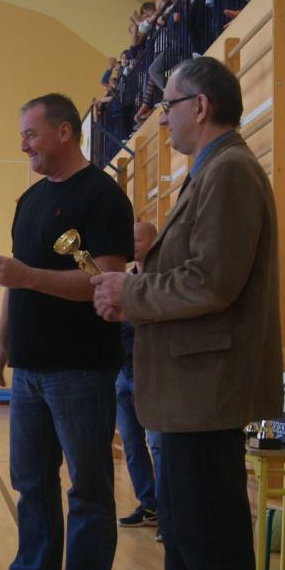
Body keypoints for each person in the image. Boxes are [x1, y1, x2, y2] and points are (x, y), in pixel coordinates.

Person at [92, 57, 282, 570]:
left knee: (211, 535)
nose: (161, 116)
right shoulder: (211, 171)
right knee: (184, 527)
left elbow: (211, 282)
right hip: (189, 388)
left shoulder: (229, 172)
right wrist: (136, 286)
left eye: (168, 105)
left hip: (207, 388)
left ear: (199, 106)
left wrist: (131, 293)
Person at [0, 93, 134, 570]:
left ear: (65, 132)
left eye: (31, 134)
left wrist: (26, 277)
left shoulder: (104, 197)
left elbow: (104, 281)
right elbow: (14, 283)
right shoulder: (29, 201)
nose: (23, 145)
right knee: (31, 482)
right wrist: (1, 343)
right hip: (30, 369)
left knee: (88, 491)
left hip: (82, 370)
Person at [116, 221, 162, 529]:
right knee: (132, 445)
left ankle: (169, 515)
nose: (131, 244)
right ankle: (149, 506)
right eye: (128, 239)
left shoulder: (163, 281)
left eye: (137, 239)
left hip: (153, 374)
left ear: (154, 242)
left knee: (158, 446)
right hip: (122, 373)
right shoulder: (124, 280)